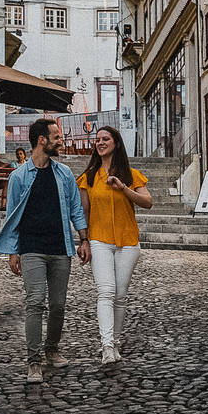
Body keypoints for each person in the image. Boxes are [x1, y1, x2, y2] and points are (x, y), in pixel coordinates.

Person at [0, 118, 91, 384]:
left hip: (60, 247)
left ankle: (52, 349)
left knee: (58, 305)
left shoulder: (64, 174)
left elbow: (76, 209)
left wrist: (84, 240)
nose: (61, 141)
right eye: (57, 137)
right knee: (35, 302)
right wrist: (13, 252)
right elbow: (12, 217)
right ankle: (34, 361)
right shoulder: (18, 177)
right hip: (32, 248)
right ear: (42, 140)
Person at [78, 126, 153, 366]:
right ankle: (107, 346)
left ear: (116, 143)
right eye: (97, 140)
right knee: (106, 292)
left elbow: (147, 202)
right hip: (99, 240)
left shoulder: (131, 175)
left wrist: (123, 188)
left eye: (105, 139)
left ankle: (116, 342)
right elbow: (83, 212)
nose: (100, 143)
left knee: (120, 296)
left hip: (127, 241)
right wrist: (83, 240)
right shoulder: (88, 177)